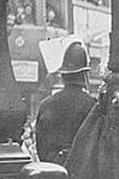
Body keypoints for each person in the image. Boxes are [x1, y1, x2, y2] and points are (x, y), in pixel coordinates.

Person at [34, 38, 95, 166]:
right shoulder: (92, 105)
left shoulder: (46, 104)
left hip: (52, 172)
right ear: (84, 75)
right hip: (80, 173)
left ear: (63, 75)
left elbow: (41, 145)